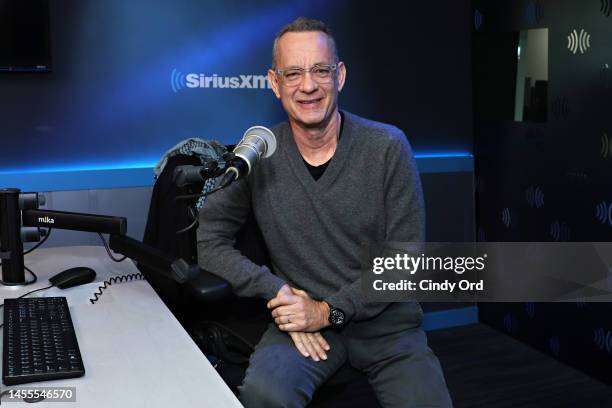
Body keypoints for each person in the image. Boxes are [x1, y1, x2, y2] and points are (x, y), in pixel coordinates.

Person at [197, 17, 452, 408]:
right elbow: (208, 240)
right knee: (265, 395)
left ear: (341, 75)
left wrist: (329, 311)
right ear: (274, 82)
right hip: (302, 322)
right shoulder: (258, 154)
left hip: (385, 323)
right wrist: (278, 293)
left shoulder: (387, 147)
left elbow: (405, 262)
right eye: (293, 73)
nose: (308, 85)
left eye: (320, 70)